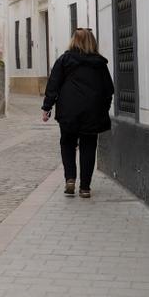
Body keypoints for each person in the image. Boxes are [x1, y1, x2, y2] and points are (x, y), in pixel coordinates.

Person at [41, 28, 115, 198]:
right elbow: (108, 90)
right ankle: (85, 188)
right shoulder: (99, 64)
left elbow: (53, 85)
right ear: (92, 42)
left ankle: (70, 179)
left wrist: (47, 107)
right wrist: (103, 109)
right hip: (92, 112)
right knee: (88, 147)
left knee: (67, 144)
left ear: (73, 40)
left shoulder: (64, 60)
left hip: (68, 111)